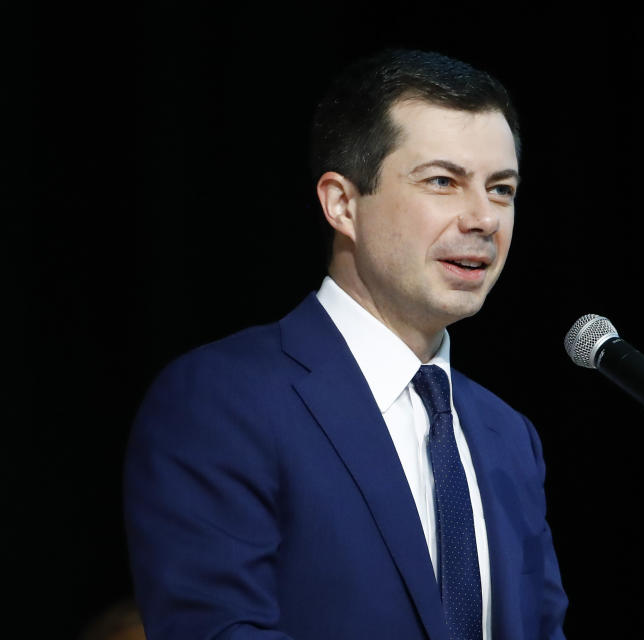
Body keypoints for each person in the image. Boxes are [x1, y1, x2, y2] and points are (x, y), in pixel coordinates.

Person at [124, 49, 567, 640]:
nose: (483, 218)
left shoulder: (507, 435)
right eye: (443, 181)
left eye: (502, 189)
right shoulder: (223, 399)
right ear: (342, 203)